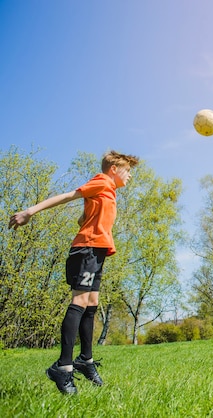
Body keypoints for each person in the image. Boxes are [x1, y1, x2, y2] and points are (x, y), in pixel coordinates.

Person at [8, 150, 139, 394]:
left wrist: (87, 216)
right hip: (86, 250)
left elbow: (85, 216)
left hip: (97, 251)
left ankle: (85, 360)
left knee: (91, 303)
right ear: (114, 169)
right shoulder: (102, 181)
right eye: (127, 170)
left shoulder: (107, 191)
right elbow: (69, 195)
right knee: (79, 302)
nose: (130, 176)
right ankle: (63, 367)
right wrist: (29, 212)